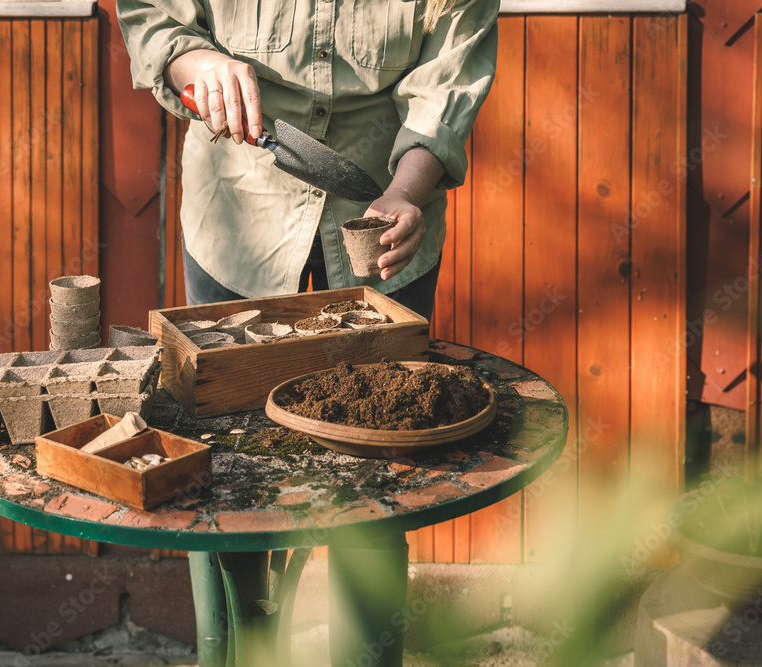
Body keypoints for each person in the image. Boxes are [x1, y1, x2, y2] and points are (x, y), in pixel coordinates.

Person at [116, 1, 498, 664]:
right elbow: (151, 12)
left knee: (379, 468)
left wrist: (409, 187)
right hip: (239, 198)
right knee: (225, 467)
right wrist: (197, 60)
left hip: (385, 200)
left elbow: (449, 70)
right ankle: (232, 650)